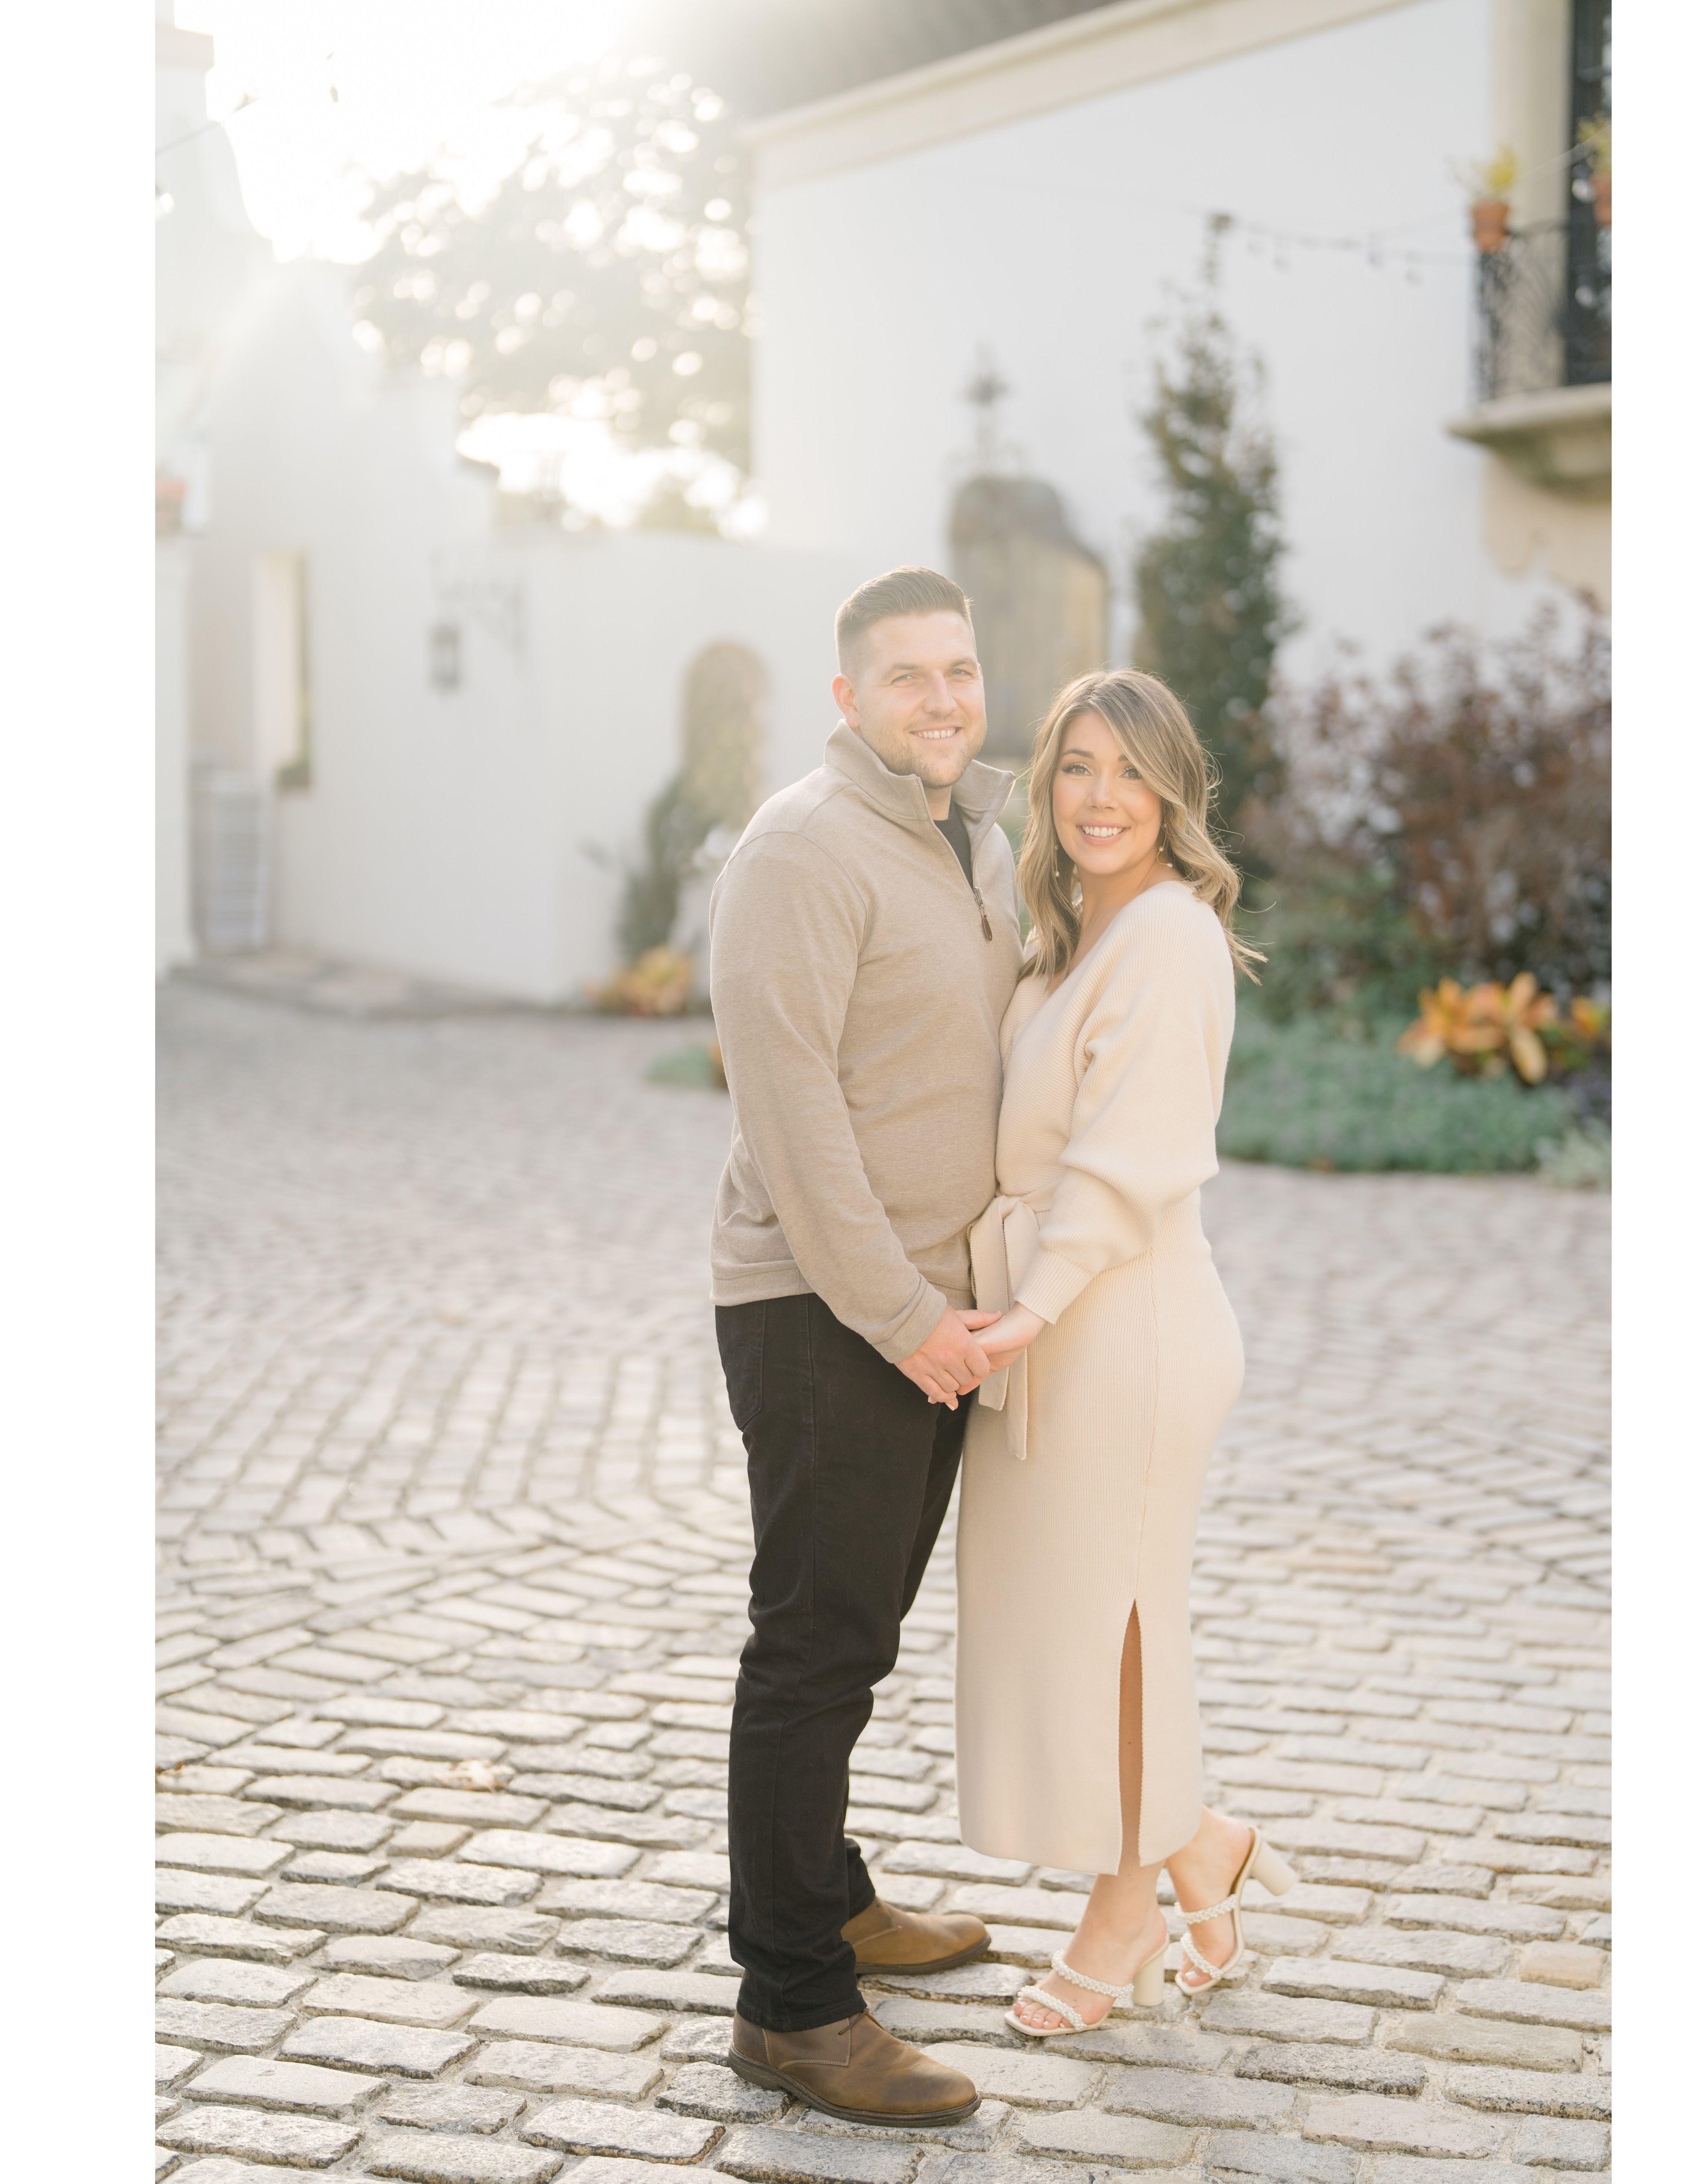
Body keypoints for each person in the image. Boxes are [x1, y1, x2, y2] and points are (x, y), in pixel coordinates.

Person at [708, 566, 1017, 2125]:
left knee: (858, 1634)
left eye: (958, 670)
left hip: (931, 1316)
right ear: (848, 697)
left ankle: (827, 1893)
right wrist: (904, 1321)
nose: (941, 699)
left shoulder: (976, 840)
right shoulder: (801, 850)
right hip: (824, 1312)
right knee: (814, 1646)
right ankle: (793, 2006)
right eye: (907, 676)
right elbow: (795, 1117)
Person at [950, 669, 1299, 2036]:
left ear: (1173, 795)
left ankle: (1122, 1916)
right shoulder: (1065, 935)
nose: (1101, 798)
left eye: (1131, 773)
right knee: (1067, 1628)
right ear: (1047, 784)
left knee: (1123, 1628)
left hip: (1124, 1328)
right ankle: (1200, 1843)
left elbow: (1128, 1156)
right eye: (1077, 767)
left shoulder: (1167, 934)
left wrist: (1030, 1308)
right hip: (1056, 1320)